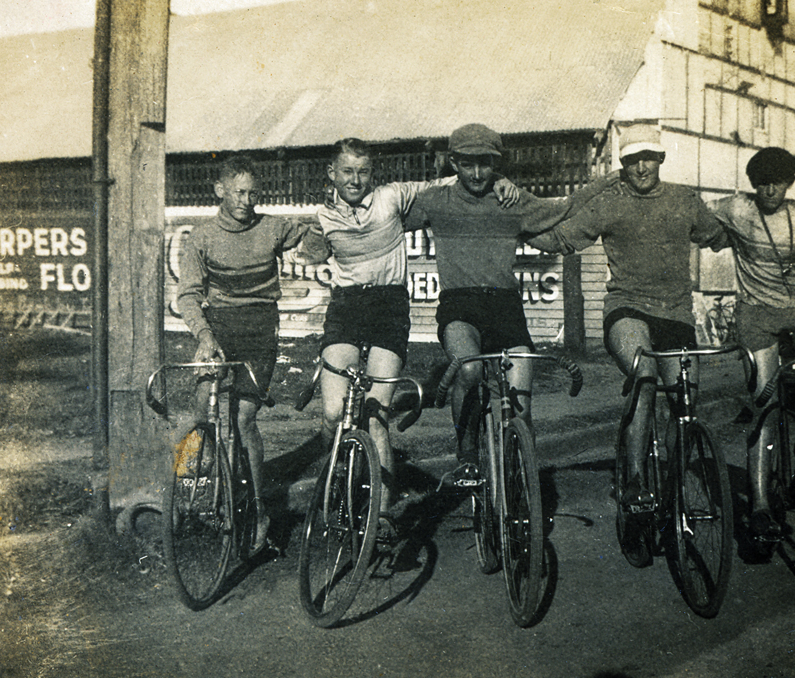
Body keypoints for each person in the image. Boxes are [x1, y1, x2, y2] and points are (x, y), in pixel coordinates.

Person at [315, 138, 519, 517]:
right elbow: (301, 246)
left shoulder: (391, 197)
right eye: (347, 171)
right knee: (331, 412)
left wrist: (498, 180)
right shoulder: (321, 216)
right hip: (346, 308)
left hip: (389, 308)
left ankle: (382, 515)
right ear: (332, 173)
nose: (355, 180)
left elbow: (447, 184)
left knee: (376, 414)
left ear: (372, 174)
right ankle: (332, 469)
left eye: (363, 171)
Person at [405, 123, 620, 480]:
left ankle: (523, 487)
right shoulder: (436, 201)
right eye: (468, 164)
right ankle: (467, 452)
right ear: (454, 163)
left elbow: (561, 210)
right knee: (469, 370)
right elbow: (386, 219)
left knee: (521, 406)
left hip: (505, 307)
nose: (477, 174)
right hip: (459, 306)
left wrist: (605, 184)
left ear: (497, 163)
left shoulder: (511, 200)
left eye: (486, 163)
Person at [528, 124, 724, 512]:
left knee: (686, 401)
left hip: (676, 314)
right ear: (623, 164)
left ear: (660, 159)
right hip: (627, 310)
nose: (641, 167)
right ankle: (633, 479)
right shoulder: (610, 202)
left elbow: (720, 235)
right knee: (644, 376)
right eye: (633, 160)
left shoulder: (684, 200)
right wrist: (510, 228)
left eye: (648, 158)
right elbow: (560, 239)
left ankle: (674, 490)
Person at [177, 154, 329, 552]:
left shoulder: (272, 227)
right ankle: (202, 489)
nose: (246, 201)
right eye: (239, 192)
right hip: (218, 328)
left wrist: (315, 245)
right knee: (201, 409)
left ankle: (259, 511)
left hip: (260, 330)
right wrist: (204, 335)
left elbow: (315, 241)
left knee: (243, 419)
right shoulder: (203, 236)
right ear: (220, 191)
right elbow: (188, 295)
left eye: (252, 193)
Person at [703, 146, 795, 540]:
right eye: (762, 183)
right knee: (765, 402)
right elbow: (691, 214)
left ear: (789, 183)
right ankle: (761, 506)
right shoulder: (736, 209)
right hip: (757, 315)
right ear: (752, 184)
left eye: (777, 183)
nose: (769, 191)